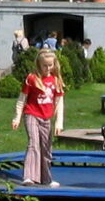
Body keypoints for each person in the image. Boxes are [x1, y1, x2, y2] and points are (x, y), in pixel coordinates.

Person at [11, 48, 65, 187]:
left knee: (46, 148)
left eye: (50, 65)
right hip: (32, 114)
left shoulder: (55, 80)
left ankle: (46, 178)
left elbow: (59, 103)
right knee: (33, 144)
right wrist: (17, 117)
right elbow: (22, 99)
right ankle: (29, 176)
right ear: (39, 65)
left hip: (46, 118)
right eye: (45, 65)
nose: (48, 68)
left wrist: (59, 123)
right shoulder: (32, 79)